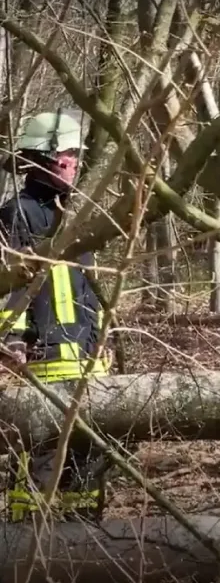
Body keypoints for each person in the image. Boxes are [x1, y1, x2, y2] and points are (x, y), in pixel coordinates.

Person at [0, 109, 110, 523]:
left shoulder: (77, 217)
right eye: (70, 154)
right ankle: (25, 550)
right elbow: (6, 288)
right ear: (47, 159)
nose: (77, 163)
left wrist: (103, 342)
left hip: (88, 366)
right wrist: (11, 341)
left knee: (86, 470)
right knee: (38, 472)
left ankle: (85, 554)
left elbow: (89, 293)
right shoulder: (18, 214)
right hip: (42, 366)